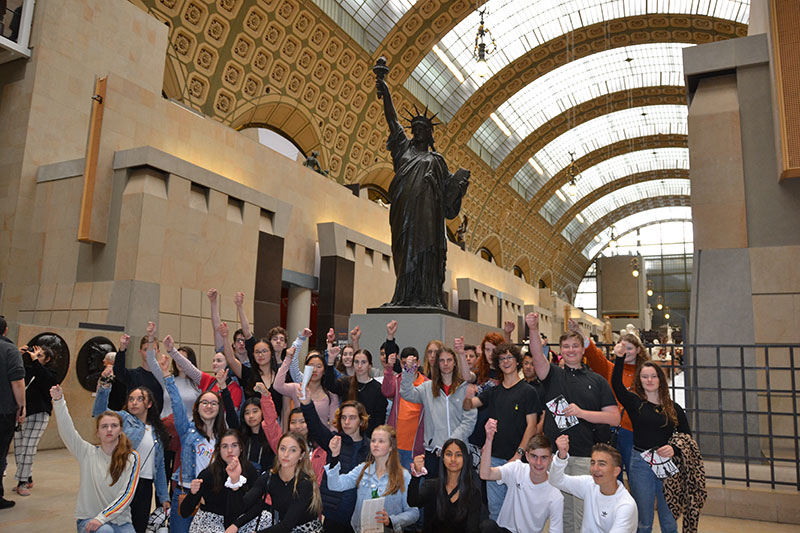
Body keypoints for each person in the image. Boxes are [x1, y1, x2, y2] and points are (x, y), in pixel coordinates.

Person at [375, 67, 470, 309]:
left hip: (428, 219)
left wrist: (460, 186)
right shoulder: (402, 150)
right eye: (414, 128)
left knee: (427, 254)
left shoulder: (437, 161)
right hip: (404, 214)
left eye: (423, 129)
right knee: (404, 253)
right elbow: (392, 120)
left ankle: (427, 297)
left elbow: (449, 201)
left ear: (429, 134)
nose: (417, 131)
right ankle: (404, 297)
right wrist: (385, 91)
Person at [526, 313, 620, 533]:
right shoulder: (553, 375)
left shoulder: (596, 380)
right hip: (557, 458)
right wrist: (532, 328)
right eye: (566, 346)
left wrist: (582, 413)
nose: (570, 350)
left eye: (575, 346)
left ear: (582, 348)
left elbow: (614, 417)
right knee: (560, 513)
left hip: (584, 456)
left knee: (581, 514)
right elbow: (538, 357)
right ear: (561, 350)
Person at [611, 353, 691, 533]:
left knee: (669, 520)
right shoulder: (635, 403)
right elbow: (616, 385)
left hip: (668, 465)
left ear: (661, 379)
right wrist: (619, 358)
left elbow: (687, 437)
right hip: (640, 463)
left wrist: (674, 449)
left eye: (653, 376)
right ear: (639, 380)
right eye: (645, 376)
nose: (649, 380)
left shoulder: (673, 408)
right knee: (643, 520)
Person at [464, 343, 540, 521]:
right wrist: (465, 395)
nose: (505, 362)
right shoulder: (493, 392)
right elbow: (469, 405)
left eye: (509, 357)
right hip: (495, 461)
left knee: (519, 513)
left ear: (517, 361)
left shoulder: (529, 392)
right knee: (496, 513)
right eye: (501, 359)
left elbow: (532, 426)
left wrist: (518, 454)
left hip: (518, 461)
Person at [50, 384, 140, 532]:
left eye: (114, 425)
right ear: (97, 432)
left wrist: (103, 517)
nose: (109, 429)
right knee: (105, 531)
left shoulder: (132, 457)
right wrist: (59, 401)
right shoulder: (87, 453)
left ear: (121, 430)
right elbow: (67, 431)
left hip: (120, 521)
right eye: (104, 426)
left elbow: (127, 495)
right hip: (89, 519)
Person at [93, 372, 170, 532]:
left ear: (149, 404)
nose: (134, 403)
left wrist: (163, 497)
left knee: (139, 527)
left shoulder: (156, 432)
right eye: (131, 399)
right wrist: (104, 387)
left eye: (140, 399)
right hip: (123, 481)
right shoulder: (123, 419)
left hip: (145, 486)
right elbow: (100, 413)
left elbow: (160, 466)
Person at [161, 358, 228, 533]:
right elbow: (176, 404)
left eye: (214, 403)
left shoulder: (224, 437)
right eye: (204, 402)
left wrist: (223, 387)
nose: (208, 406)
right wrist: (168, 376)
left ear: (219, 408)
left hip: (212, 497)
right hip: (186, 493)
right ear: (196, 408)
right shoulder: (186, 430)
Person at [579, 318, 649, 478]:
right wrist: (582, 335)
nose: (626, 351)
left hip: (633, 431)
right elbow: (594, 356)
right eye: (622, 347)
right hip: (611, 429)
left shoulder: (645, 373)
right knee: (610, 475)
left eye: (630, 348)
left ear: (638, 350)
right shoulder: (611, 369)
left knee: (635, 475)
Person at [324, 425, 419, 533]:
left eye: (381, 441)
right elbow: (335, 485)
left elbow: (414, 512)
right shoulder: (362, 469)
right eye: (373, 440)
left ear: (391, 446)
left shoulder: (404, 476)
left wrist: (391, 521)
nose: (375, 445)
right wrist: (335, 456)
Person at [400, 345, 477, 478]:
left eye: (449, 360)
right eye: (442, 360)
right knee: (434, 496)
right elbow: (407, 393)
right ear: (437, 364)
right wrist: (408, 371)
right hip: (434, 453)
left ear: (455, 363)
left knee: (460, 495)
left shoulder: (465, 389)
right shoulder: (427, 388)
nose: (446, 364)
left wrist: (449, 444)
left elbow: (469, 421)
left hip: (459, 452)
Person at [227, 433, 323, 533]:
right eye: (282, 448)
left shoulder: (305, 483)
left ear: (301, 455)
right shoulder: (269, 477)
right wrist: (235, 482)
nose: (286, 454)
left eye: (293, 450)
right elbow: (241, 507)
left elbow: (287, 525)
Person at [301, 396, 369, 533]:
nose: (347, 422)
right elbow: (315, 426)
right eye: (343, 418)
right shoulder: (334, 440)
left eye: (352, 418)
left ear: (361, 421)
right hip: (332, 511)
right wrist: (307, 403)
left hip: (359, 514)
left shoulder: (371, 447)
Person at [478, 429, 563, 533]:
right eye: (534, 456)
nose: (538, 463)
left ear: (551, 459)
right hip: (505, 530)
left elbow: (556, 530)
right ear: (527, 456)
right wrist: (489, 439)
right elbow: (485, 474)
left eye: (544, 458)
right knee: (487, 526)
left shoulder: (555, 494)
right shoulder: (517, 469)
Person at [550, 435, 637, 533]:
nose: (595, 469)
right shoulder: (588, 484)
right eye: (592, 463)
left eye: (601, 464)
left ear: (616, 471)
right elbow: (556, 480)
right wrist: (561, 456)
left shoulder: (626, 505)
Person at [179, 429, 258, 532]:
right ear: (218, 450)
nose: (230, 450)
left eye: (234, 445)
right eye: (225, 446)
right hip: (210, 522)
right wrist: (193, 493)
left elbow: (255, 505)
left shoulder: (250, 470)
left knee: (266, 517)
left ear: (241, 448)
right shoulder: (208, 474)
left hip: (239, 520)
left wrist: (236, 525)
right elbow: (184, 512)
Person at [407, 438, 482, 533]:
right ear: (442, 458)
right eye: (448, 454)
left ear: (465, 459)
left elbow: (472, 529)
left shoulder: (473, 493)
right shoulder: (432, 486)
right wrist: (416, 477)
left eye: (458, 455)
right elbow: (413, 502)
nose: (453, 459)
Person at [12, 345, 57, 497]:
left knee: (29, 446)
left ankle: (22, 482)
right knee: (19, 448)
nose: (35, 358)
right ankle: (28, 477)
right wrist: (18, 354)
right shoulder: (28, 370)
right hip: (22, 414)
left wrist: (36, 362)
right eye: (34, 355)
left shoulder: (51, 373)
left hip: (40, 413)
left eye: (40, 356)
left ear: (48, 359)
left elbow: (47, 382)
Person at [325, 347, 387, 437]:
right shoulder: (346, 382)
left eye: (363, 362)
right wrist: (330, 362)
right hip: (346, 435)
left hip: (368, 438)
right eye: (356, 362)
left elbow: (379, 419)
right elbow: (329, 385)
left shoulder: (377, 388)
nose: (359, 366)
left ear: (370, 365)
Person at [382, 345, 427, 469]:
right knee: (392, 483)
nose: (408, 366)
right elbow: (387, 392)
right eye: (404, 363)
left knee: (413, 485)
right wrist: (389, 369)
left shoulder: (427, 384)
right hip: (395, 444)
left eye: (411, 363)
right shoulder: (397, 380)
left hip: (416, 446)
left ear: (418, 363)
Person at [275, 348, 339, 429]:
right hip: (299, 437)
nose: (314, 370)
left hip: (321, 439)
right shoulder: (297, 389)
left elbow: (334, 425)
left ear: (324, 371)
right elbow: (277, 385)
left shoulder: (331, 395)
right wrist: (288, 359)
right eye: (311, 366)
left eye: (319, 366)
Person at [0, 316, 25, 509]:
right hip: (4, 411)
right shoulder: (10, 350)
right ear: (6, 330)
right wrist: (22, 407)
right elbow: (17, 382)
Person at [113, 330, 165, 413]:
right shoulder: (133, 375)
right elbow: (118, 372)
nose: (149, 353)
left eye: (152, 350)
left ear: (158, 351)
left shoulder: (163, 377)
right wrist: (122, 349)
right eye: (145, 350)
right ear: (140, 351)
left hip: (156, 421)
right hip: (135, 421)